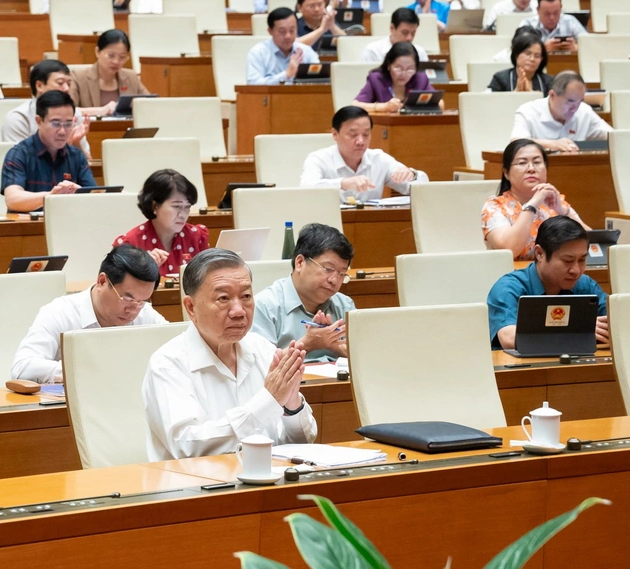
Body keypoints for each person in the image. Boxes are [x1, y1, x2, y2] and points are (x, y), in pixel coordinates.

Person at [142, 248, 315, 462]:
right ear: (191, 307)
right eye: (223, 298)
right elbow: (188, 447)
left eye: (246, 296)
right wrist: (268, 400)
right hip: (197, 490)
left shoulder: (265, 351)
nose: (239, 311)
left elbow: (304, 443)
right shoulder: (168, 364)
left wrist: (292, 405)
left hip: (269, 485)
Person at [11, 245, 167, 384]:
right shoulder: (60, 312)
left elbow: (179, 351)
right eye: (127, 298)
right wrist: (84, 371)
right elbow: (22, 368)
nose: (133, 310)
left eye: (142, 301)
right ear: (102, 281)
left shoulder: (145, 314)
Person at [485, 216, 609, 351]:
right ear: (539, 253)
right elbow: (509, 338)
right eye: (568, 260)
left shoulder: (585, 285)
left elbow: (618, 323)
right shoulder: (508, 288)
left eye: (582, 260)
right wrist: (576, 331)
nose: (576, 270)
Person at [252, 223, 356, 361]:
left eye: (342, 274)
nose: (334, 280)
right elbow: (258, 366)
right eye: (328, 269)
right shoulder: (265, 306)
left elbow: (368, 359)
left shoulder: (345, 305)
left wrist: (334, 345)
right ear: (300, 262)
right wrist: (306, 344)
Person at [482, 138, 588, 260]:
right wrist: (531, 206)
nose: (531, 168)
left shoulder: (555, 201)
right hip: (514, 276)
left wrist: (563, 211)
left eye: (537, 162)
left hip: (558, 275)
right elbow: (510, 249)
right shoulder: (495, 207)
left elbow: (591, 243)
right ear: (506, 173)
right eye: (522, 163)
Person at [302, 106, 427, 202]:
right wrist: (343, 183)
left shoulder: (379, 159)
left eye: (366, 134)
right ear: (335, 134)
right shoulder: (318, 159)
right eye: (353, 135)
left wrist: (412, 174)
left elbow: (423, 189)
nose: (361, 141)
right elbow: (306, 188)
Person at [0, 90, 97, 212]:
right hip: (31, 228)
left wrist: (80, 193)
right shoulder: (18, 154)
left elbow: (95, 197)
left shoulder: (76, 156)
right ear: (39, 122)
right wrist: (51, 196)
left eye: (68, 124)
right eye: (56, 124)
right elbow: (13, 199)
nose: (62, 131)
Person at [112, 169, 210, 276]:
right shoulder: (130, 244)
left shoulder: (197, 237)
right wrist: (142, 269)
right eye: (176, 206)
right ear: (155, 206)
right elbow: (116, 288)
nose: (183, 214)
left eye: (187, 207)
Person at [4, 59, 90, 154]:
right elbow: (17, 162)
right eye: (60, 83)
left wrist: (76, 143)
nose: (66, 88)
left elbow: (88, 163)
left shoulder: (74, 115)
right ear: (39, 85)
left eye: (69, 84)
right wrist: (65, 147)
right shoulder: (19, 118)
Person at [510, 71, 610, 151]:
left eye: (579, 102)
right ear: (552, 95)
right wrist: (552, 144)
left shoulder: (584, 111)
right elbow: (516, 142)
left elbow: (614, 137)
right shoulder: (528, 111)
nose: (575, 108)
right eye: (570, 101)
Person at [70, 29, 149, 116]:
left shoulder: (131, 77)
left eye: (122, 57)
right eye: (111, 56)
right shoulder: (78, 77)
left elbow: (149, 104)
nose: (116, 61)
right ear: (97, 52)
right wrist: (100, 111)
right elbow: (68, 110)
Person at [351, 41, 437, 114]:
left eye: (410, 69)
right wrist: (384, 107)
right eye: (398, 68)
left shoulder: (420, 79)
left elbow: (440, 103)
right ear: (389, 65)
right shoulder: (376, 79)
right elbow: (355, 105)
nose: (404, 74)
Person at [489, 29, 553, 93]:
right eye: (528, 54)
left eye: (537, 56)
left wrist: (531, 93)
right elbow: (493, 101)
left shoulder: (549, 81)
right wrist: (516, 92)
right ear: (516, 54)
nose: (532, 59)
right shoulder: (500, 78)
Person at [522, 0, 587, 53]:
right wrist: (543, 48)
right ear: (538, 10)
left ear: (561, 8)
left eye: (556, 13)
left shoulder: (570, 21)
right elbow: (519, 48)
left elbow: (589, 43)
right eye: (547, 14)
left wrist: (576, 47)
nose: (552, 17)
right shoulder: (528, 24)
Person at [359, 8, 429, 64]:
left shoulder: (420, 53)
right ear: (392, 28)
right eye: (405, 32)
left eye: (413, 33)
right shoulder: (373, 52)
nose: (409, 38)